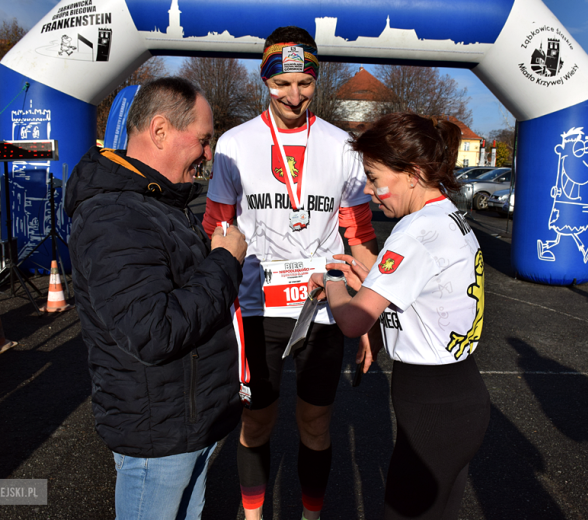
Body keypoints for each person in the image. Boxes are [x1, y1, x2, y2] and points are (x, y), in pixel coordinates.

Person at [202, 26, 379, 520]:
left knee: (315, 424)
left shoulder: (344, 145)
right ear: (264, 78)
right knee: (256, 423)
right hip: (258, 305)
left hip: (322, 305)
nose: (294, 95)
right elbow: (217, 228)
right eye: (282, 83)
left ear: (316, 80)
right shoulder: (234, 144)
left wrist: (375, 308)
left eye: (305, 83)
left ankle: (311, 515)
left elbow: (359, 235)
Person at [65, 77, 248, 520]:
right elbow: (153, 330)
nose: (208, 155)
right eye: (203, 141)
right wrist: (225, 262)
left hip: (187, 425)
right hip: (158, 437)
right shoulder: (113, 215)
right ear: (161, 130)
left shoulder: (157, 204)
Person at [309, 113, 491, 520]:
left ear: (412, 173)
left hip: (434, 406)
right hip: (457, 394)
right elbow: (423, 292)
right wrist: (370, 282)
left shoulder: (414, 232)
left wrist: (333, 280)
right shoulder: (445, 214)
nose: (372, 192)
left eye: (375, 178)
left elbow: (354, 322)